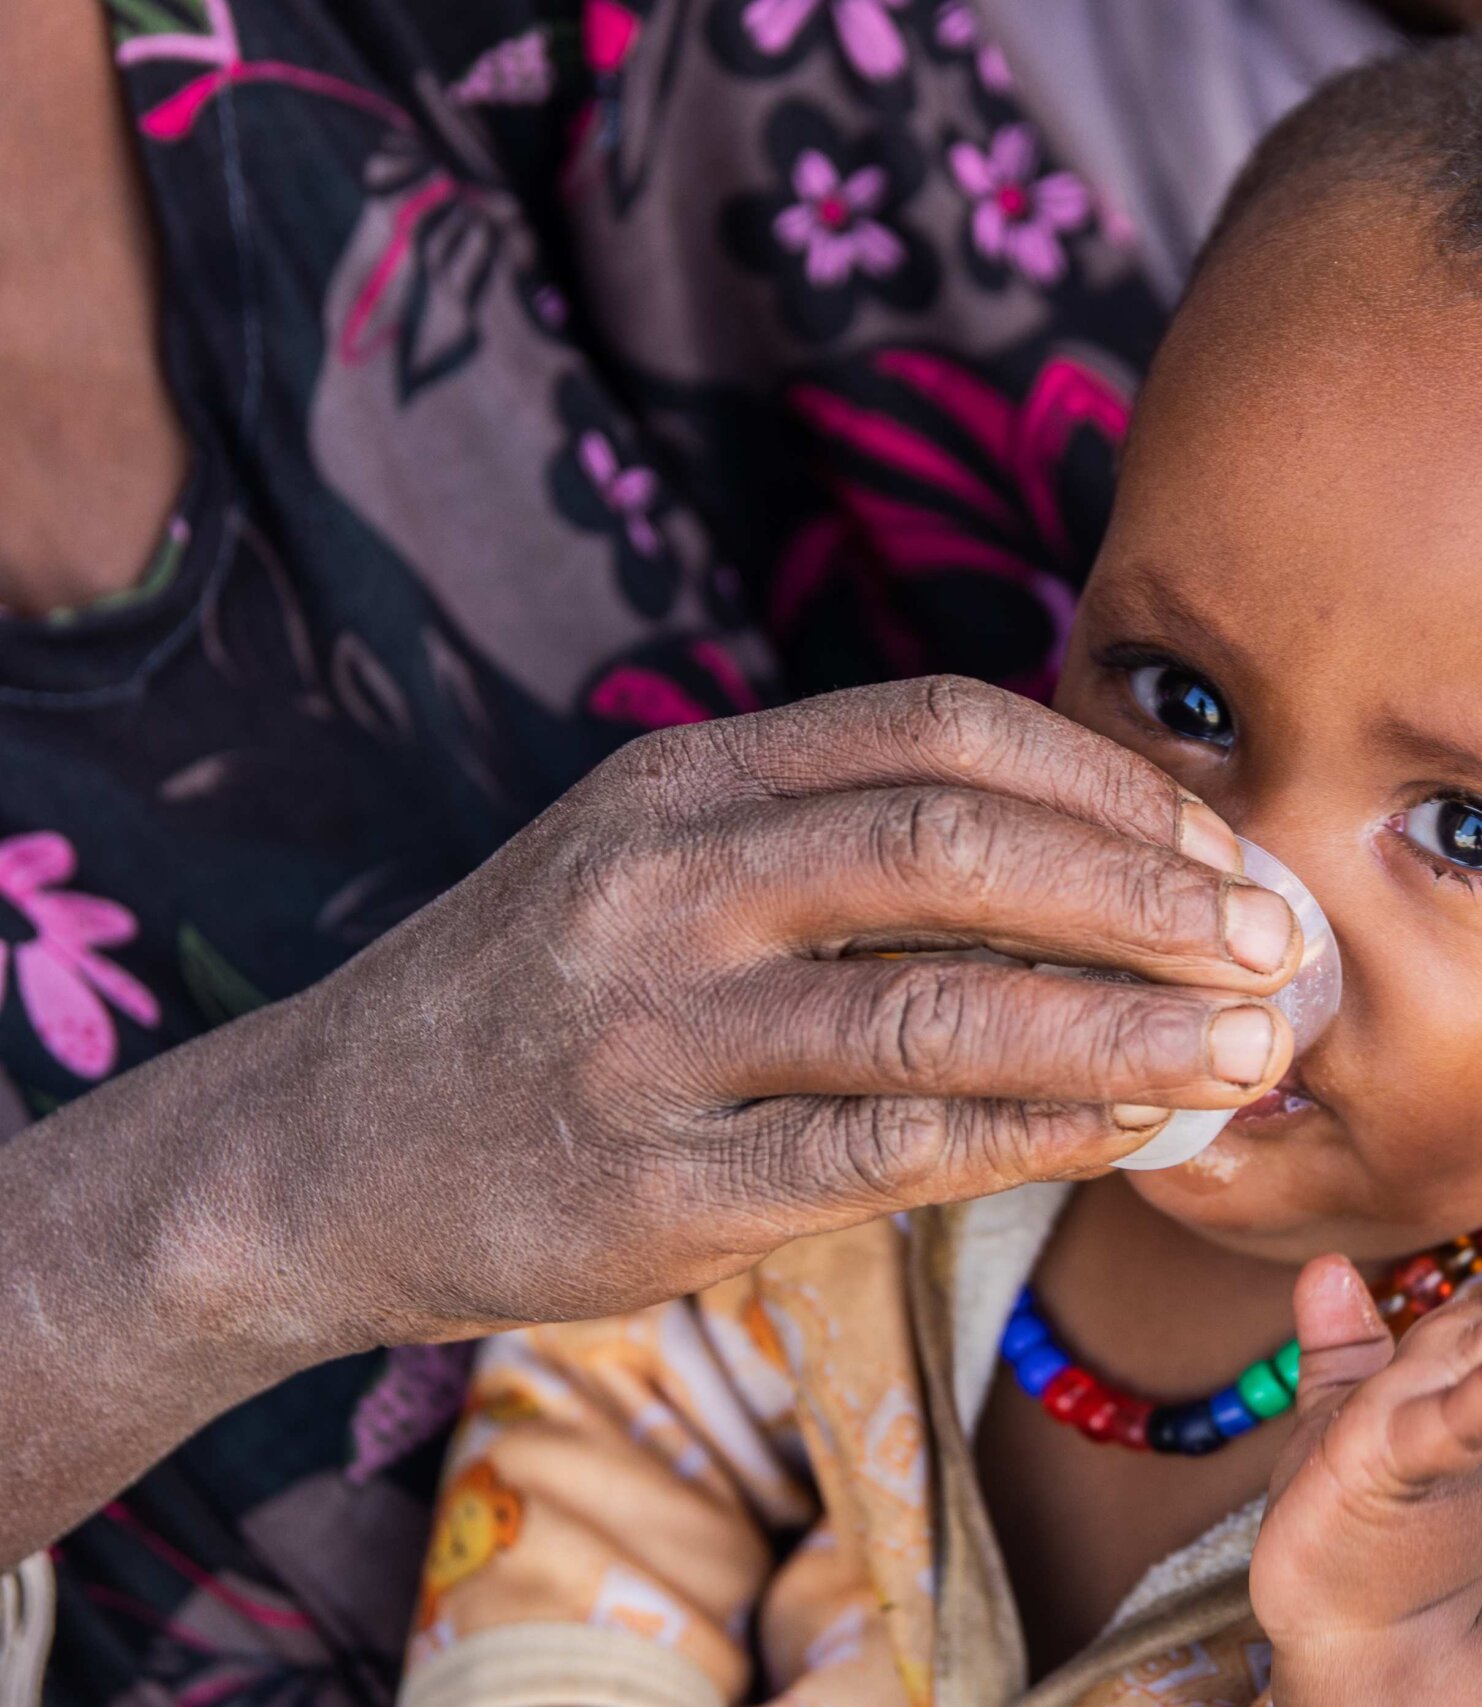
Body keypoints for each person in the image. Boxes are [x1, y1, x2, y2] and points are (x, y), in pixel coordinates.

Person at [398, 30, 1482, 1706]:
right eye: (1183, 699)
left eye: (1471, 831)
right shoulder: (908, 1039)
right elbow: (622, 1421)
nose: (1236, 906)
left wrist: (1401, 1656)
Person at [0, 0, 1312, 1700]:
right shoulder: (679, 1357)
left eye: (1473, 833)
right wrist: (260, 1191)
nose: (1281, 887)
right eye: (1187, 704)